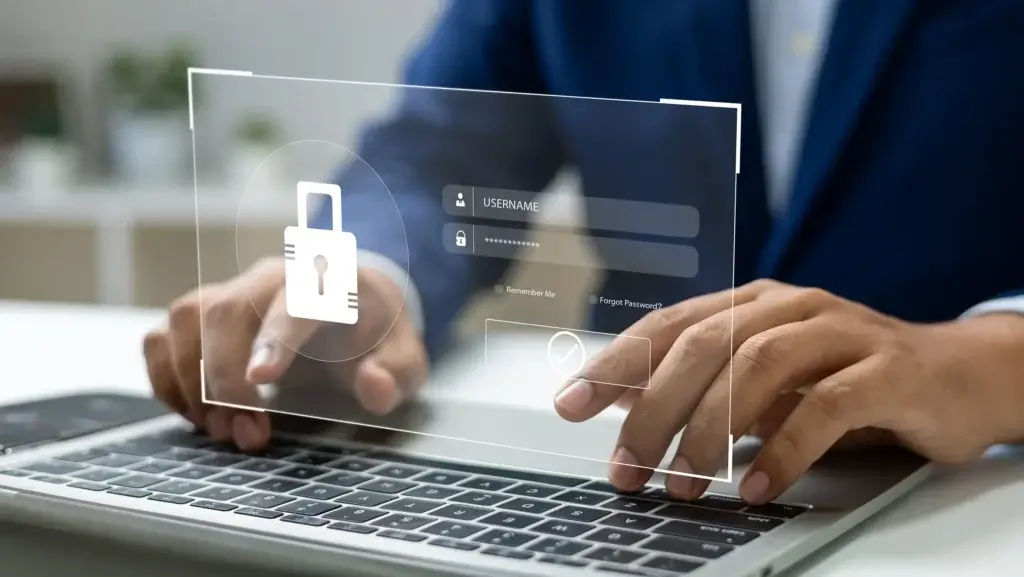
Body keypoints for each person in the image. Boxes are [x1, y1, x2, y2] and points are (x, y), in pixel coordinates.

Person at [144, 0, 1024, 506]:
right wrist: (362, 276)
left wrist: (982, 361)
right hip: (625, 480)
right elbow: (435, 153)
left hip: (956, 501)